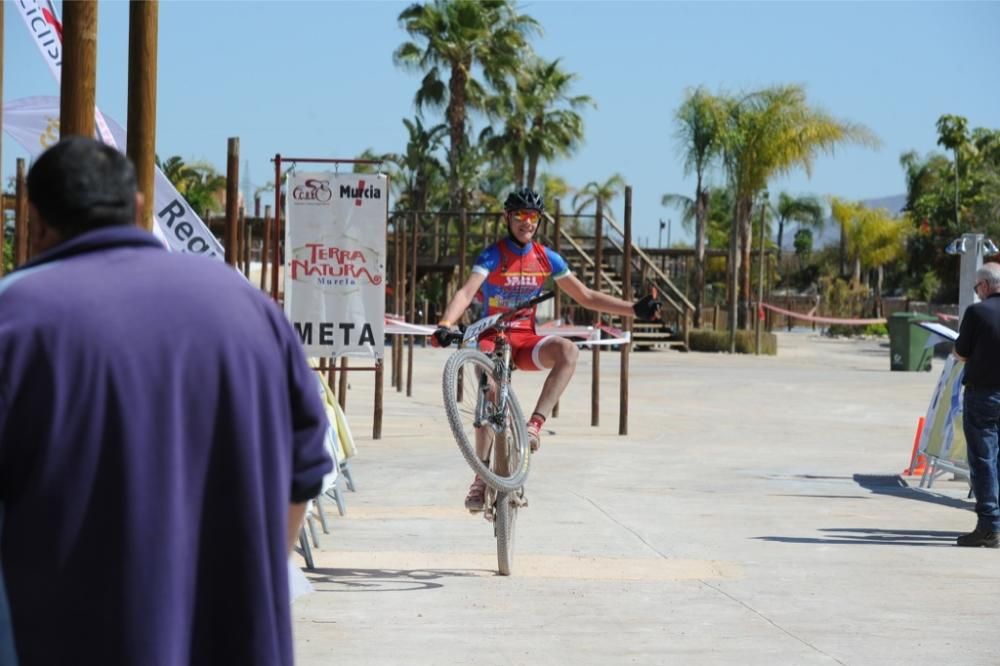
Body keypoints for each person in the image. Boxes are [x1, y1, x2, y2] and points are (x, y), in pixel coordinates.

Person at [0, 137, 333, 663]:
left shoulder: (14, 318)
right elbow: (305, 474)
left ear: (35, 221)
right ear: (136, 207)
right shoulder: (248, 306)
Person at [430, 187, 660, 511]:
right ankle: (481, 477)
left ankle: (534, 425)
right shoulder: (492, 255)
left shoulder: (546, 258)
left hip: (524, 338)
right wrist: (446, 323)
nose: (527, 222)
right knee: (490, 393)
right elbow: (467, 293)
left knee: (568, 352)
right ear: (508, 218)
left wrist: (634, 309)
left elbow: (586, 296)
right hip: (491, 337)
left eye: (533, 217)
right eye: (521, 216)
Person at [953, 262, 1000, 548]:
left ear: (984, 285)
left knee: (983, 460)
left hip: (983, 396)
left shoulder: (977, 312)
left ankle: (989, 525)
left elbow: (961, 351)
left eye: (977, 288)